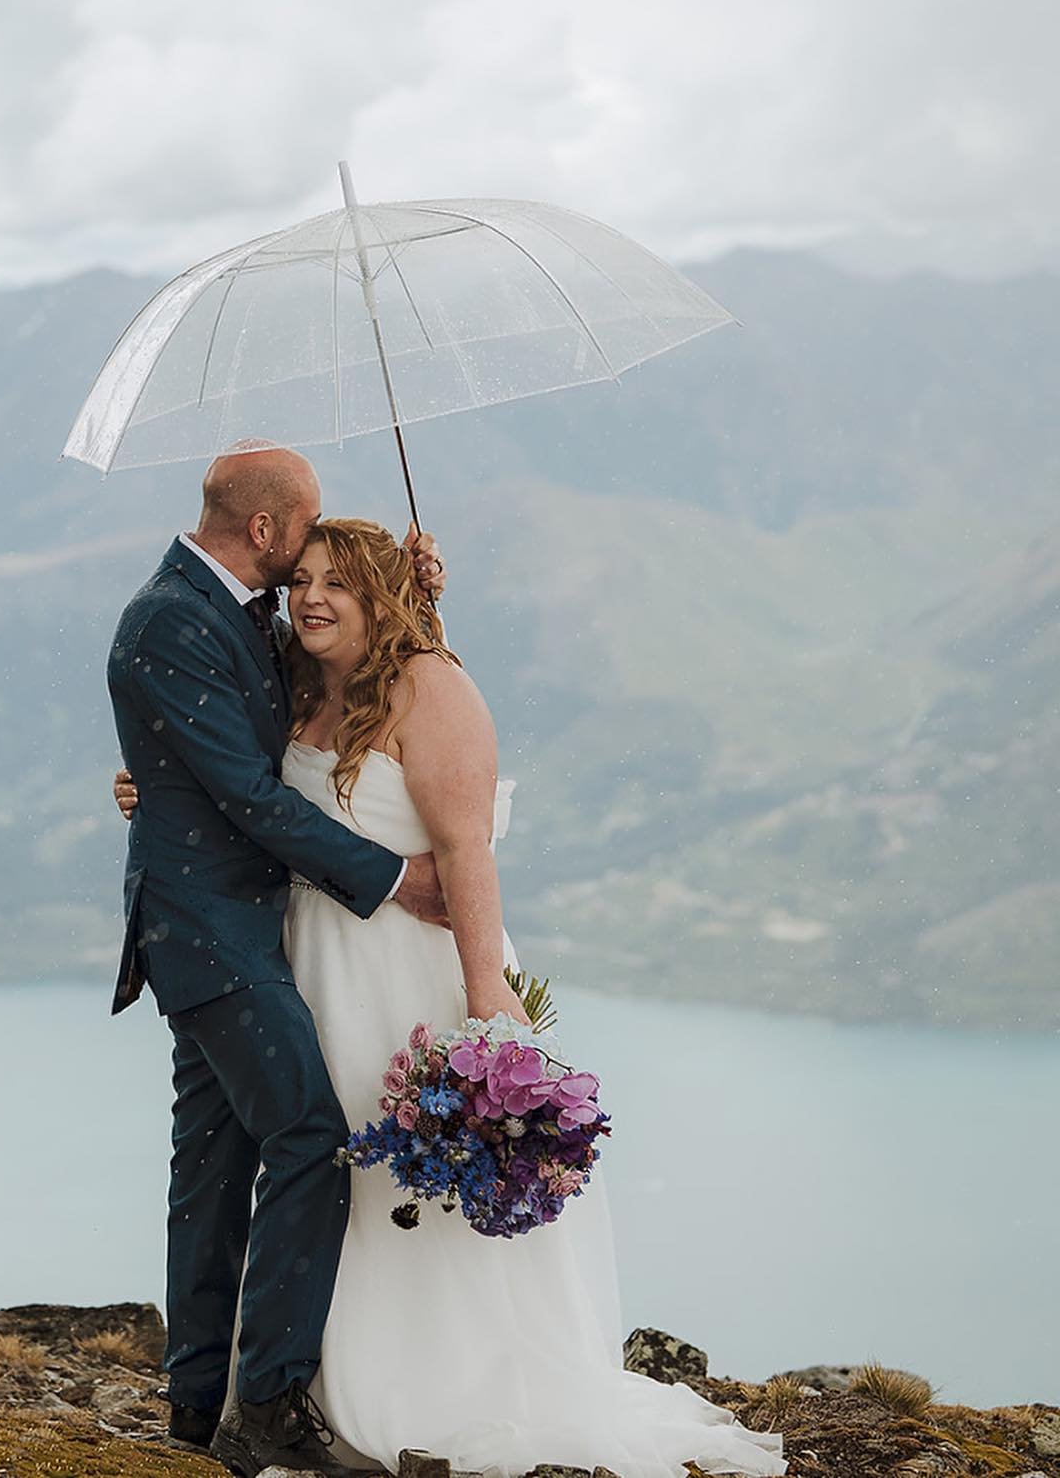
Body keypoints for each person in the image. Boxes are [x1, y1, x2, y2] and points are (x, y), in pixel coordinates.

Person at [118, 515, 787, 1478]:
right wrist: (154, 785)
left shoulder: (431, 689)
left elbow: (468, 849)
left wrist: (487, 999)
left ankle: (435, 1384)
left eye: (338, 584)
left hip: (411, 978)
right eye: (301, 578)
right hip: (314, 966)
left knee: (401, 1180)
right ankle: (302, 1383)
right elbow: (236, 779)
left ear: (379, 598)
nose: (310, 597)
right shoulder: (296, 681)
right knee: (331, 1171)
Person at [106, 445, 449, 1478]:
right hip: (209, 930)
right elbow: (251, 800)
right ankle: (265, 1407)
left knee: (212, 1168)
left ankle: (194, 1406)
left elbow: (345, 685)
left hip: (227, 925)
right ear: (265, 528)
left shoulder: (226, 606)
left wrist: (416, 596)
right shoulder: (171, 616)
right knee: (308, 1136)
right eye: (302, 541)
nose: (305, 571)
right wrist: (394, 878)